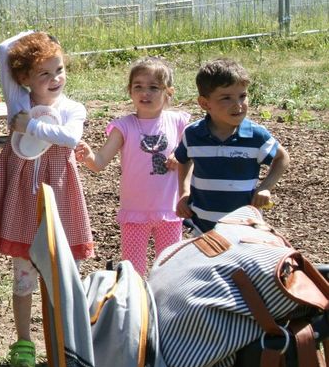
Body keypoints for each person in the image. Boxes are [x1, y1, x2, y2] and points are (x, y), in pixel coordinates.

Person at [0, 30, 93, 367]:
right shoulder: (20, 103)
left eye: (58, 69)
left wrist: (31, 126)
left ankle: (66, 344)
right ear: (24, 78)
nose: (55, 79)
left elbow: (69, 138)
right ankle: (24, 342)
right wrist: (37, 36)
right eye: (44, 73)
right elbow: (2, 49)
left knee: (63, 274)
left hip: (60, 198)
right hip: (24, 202)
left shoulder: (72, 109)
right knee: (23, 276)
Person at [75, 57, 188, 276]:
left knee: (169, 269)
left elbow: (193, 151)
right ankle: (137, 308)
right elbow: (99, 163)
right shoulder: (124, 126)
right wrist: (89, 156)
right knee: (132, 271)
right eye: (139, 87)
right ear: (130, 91)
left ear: (169, 92)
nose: (145, 93)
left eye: (154, 87)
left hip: (170, 211)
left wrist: (180, 153)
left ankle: (164, 308)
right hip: (135, 213)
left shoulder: (179, 122)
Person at [175, 58, 290, 234]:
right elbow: (183, 160)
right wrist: (184, 192)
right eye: (226, 98)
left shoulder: (255, 136)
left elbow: (282, 158)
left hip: (244, 226)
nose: (238, 105)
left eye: (242, 96)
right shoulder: (193, 135)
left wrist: (266, 187)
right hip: (202, 225)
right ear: (205, 103)